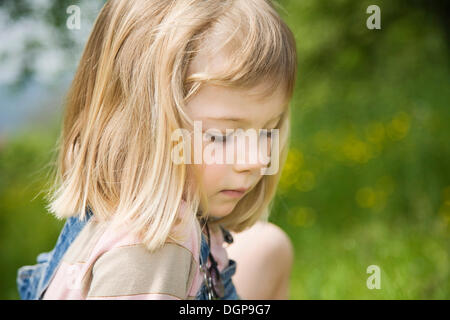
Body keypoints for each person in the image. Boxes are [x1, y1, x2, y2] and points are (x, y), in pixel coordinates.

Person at [16, 0, 297, 300]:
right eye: (221, 136)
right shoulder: (155, 247)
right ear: (139, 129)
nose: (257, 160)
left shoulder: (163, 222)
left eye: (268, 130)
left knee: (268, 245)